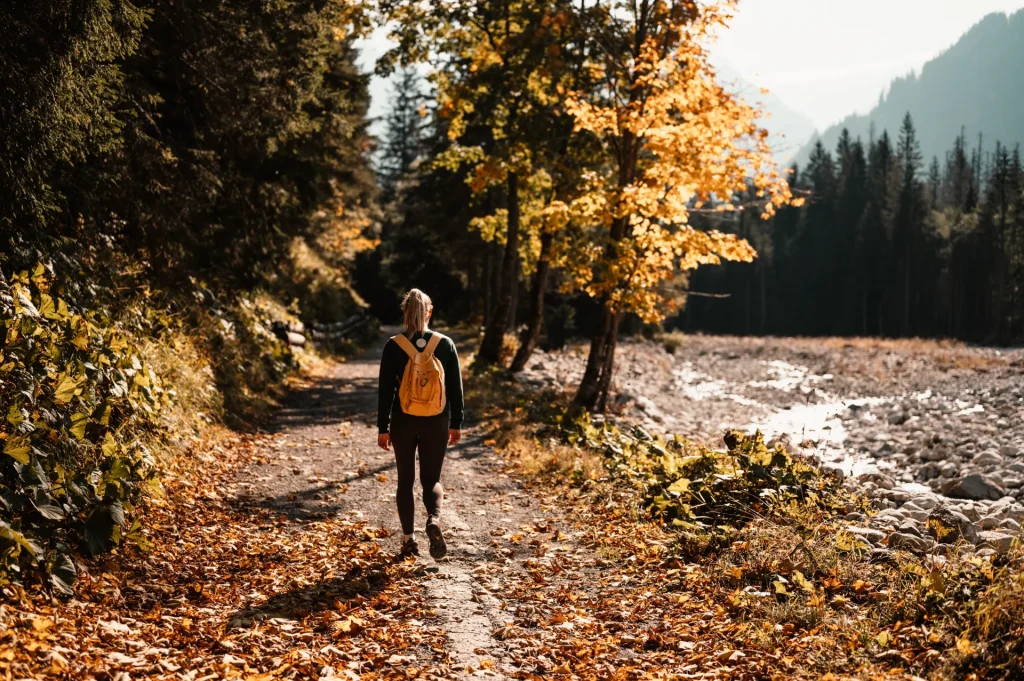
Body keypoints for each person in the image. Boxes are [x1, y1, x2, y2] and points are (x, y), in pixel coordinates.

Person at [377, 289, 464, 559]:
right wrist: (456, 422)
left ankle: (408, 540)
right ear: (429, 312)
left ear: (405, 312)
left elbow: (385, 391)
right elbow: (455, 388)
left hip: (403, 419)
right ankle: (434, 520)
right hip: (436, 420)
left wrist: (383, 427)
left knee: (406, 481)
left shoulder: (394, 345)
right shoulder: (445, 344)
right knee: (431, 479)